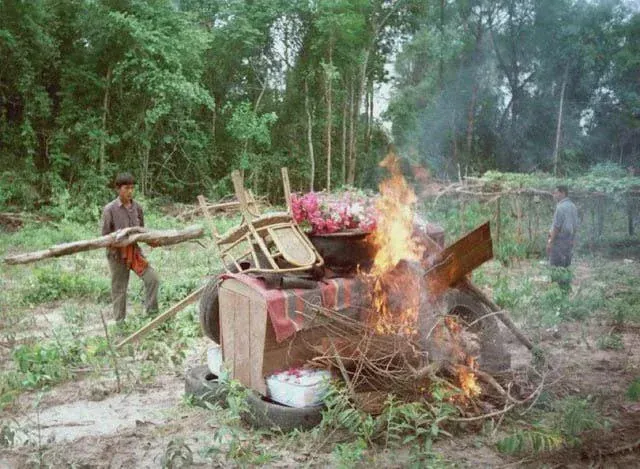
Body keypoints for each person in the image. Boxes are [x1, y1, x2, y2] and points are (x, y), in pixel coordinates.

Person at [101, 173, 159, 321]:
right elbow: (105, 236)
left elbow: (141, 231)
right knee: (119, 289)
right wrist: (119, 242)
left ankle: (152, 316)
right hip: (117, 255)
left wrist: (152, 240)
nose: (130, 191)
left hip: (134, 252)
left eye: (132, 188)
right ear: (118, 189)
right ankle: (120, 323)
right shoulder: (109, 209)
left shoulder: (137, 208)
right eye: (126, 188)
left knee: (152, 279)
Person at [546, 184, 579, 288]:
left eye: (556, 193)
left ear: (563, 193)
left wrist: (550, 242)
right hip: (568, 240)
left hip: (559, 241)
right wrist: (573, 239)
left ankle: (556, 290)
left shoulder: (560, 207)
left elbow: (557, 227)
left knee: (555, 267)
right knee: (566, 266)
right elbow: (575, 226)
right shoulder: (573, 206)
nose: (554, 195)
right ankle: (565, 288)